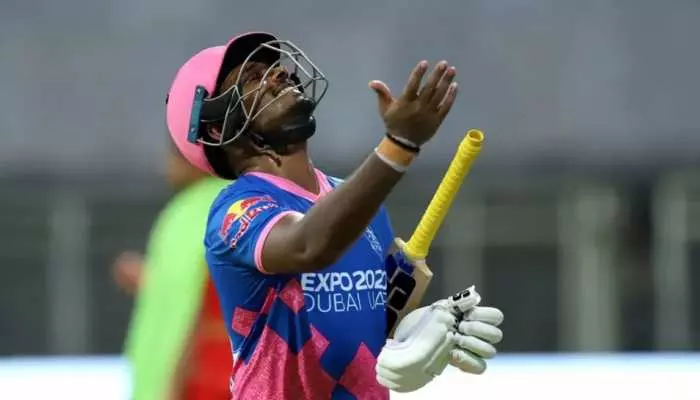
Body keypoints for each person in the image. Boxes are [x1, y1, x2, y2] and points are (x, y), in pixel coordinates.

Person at [165, 32, 505, 399]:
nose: (280, 74)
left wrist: (419, 332)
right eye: (253, 77)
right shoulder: (236, 210)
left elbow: (374, 320)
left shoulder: (358, 203)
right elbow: (308, 246)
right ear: (217, 127)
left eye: (274, 68)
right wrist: (399, 145)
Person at [116, 144, 232, 399]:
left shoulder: (210, 211)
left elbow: (196, 305)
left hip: (204, 377)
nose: (165, 166)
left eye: (173, 154)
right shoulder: (191, 209)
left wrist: (173, 383)